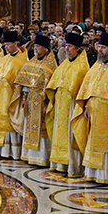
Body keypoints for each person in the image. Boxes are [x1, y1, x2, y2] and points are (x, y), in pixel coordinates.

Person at [72, 32, 108, 186]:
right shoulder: (96, 66)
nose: (100, 50)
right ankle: (93, 173)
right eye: (99, 47)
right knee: (94, 143)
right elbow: (88, 86)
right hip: (94, 111)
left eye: (103, 47)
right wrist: (85, 105)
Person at [46, 31, 90, 177]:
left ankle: (72, 166)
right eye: (66, 46)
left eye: (70, 46)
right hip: (60, 104)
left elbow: (84, 89)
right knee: (60, 133)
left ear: (77, 48)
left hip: (72, 106)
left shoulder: (82, 67)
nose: (67, 49)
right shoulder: (64, 63)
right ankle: (59, 164)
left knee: (71, 135)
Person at [15, 33, 57, 167]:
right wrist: (24, 98)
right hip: (31, 99)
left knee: (41, 129)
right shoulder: (32, 62)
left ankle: (42, 157)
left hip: (42, 101)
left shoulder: (50, 64)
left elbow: (51, 86)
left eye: (38, 46)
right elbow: (26, 82)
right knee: (30, 127)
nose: (36, 49)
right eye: (35, 46)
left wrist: (47, 103)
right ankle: (29, 155)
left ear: (45, 48)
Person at [0, 30, 25, 159]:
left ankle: (12, 153)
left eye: (9, 45)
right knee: (0, 122)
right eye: (5, 45)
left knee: (10, 123)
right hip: (1, 95)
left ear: (15, 43)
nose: (7, 47)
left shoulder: (22, 59)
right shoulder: (5, 58)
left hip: (12, 97)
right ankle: (0, 151)